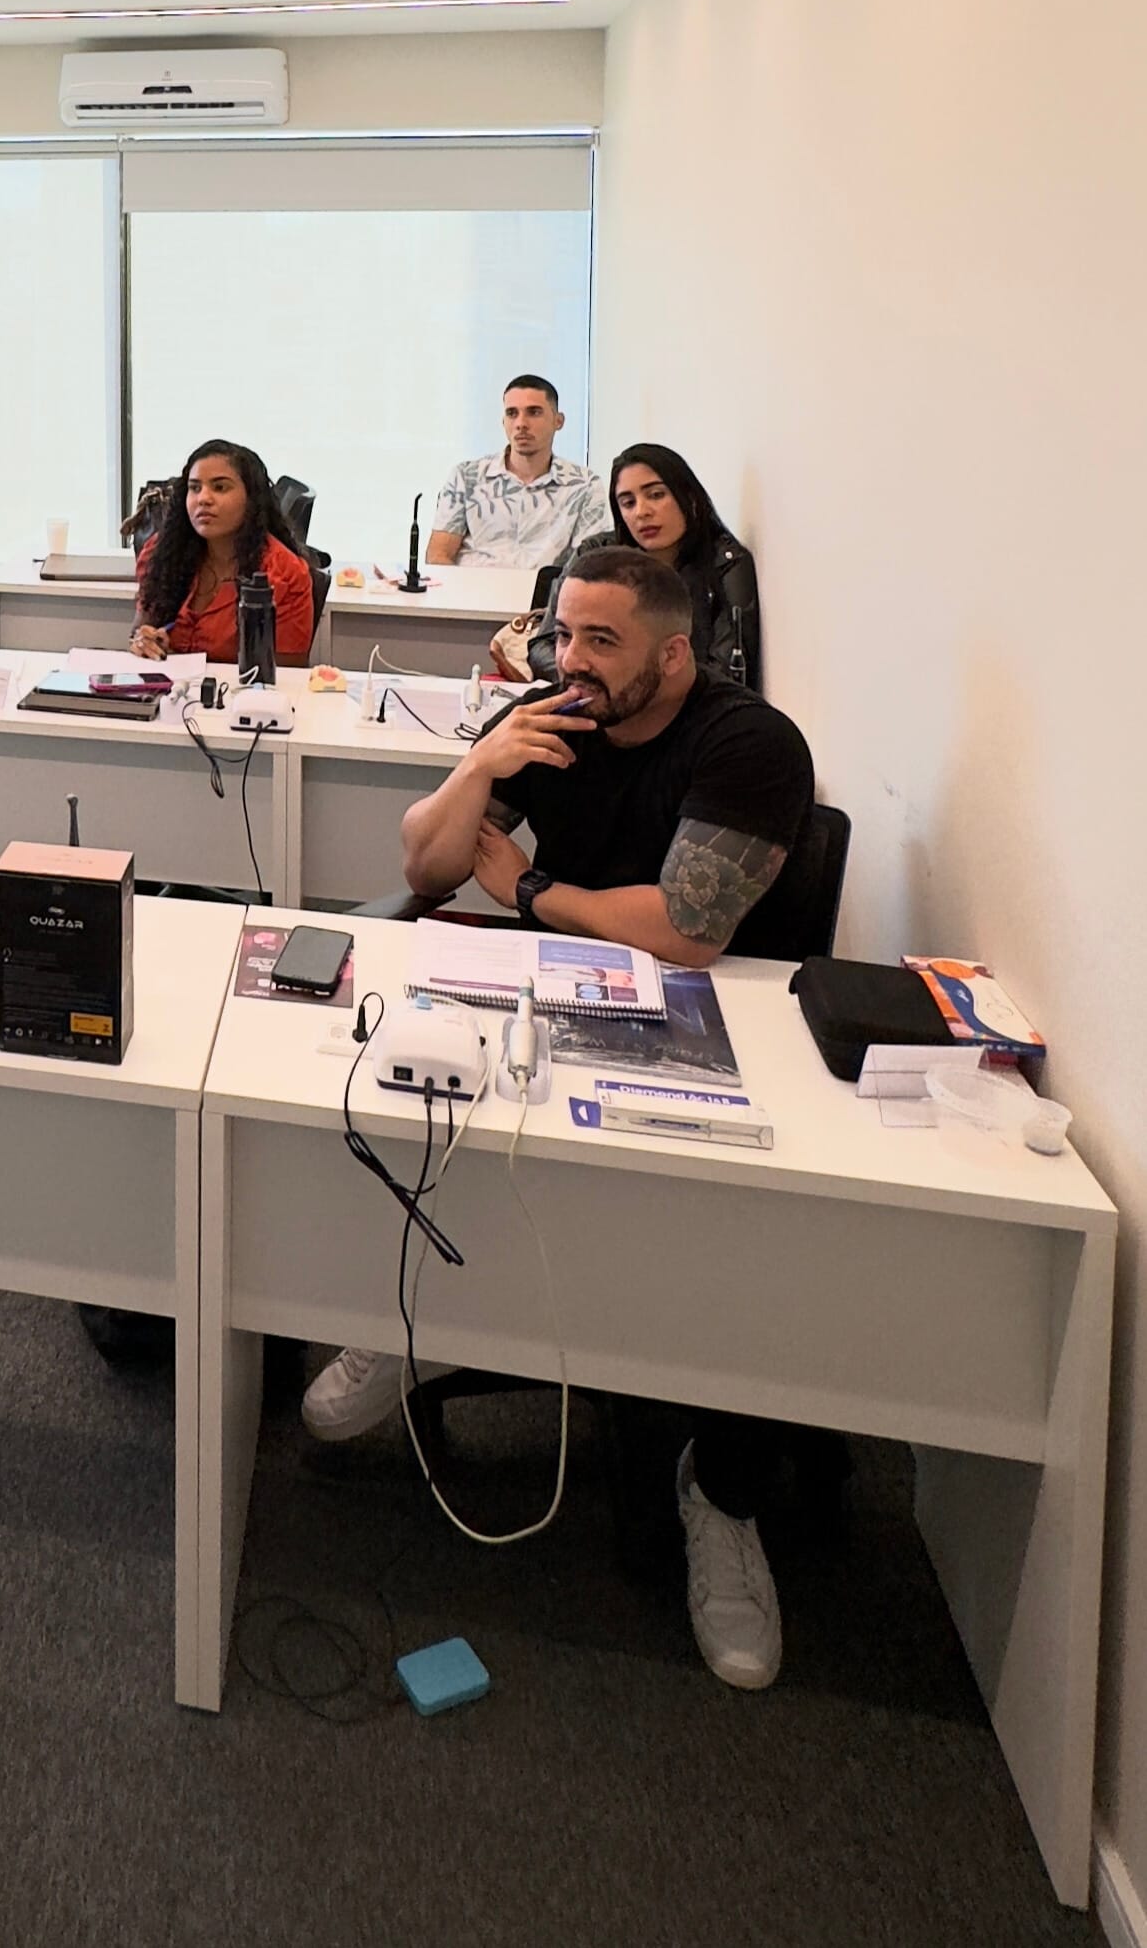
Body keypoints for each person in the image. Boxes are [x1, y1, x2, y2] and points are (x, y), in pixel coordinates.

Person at [303, 544, 816, 1693]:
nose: (571, 661)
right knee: (418, 1097)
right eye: (562, 634)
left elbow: (686, 931)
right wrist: (482, 762)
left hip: (706, 1022)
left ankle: (721, 1498)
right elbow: (426, 864)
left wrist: (534, 891)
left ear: (673, 654)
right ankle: (422, 1316)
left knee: (736, 1258)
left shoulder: (747, 743)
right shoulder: (554, 713)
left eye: (601, 641)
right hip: (554, 985)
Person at [523, 444, 761, 685]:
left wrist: (631, 689)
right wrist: (597, 681)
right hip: (593, 696)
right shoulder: (596, 554)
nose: (641, 512)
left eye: (656, 495)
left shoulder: (725, 562)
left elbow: (727, 675)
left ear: (689, 497)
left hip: (683, 705)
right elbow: (542, 647)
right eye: (628, 503)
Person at [131, 442, 313, 666]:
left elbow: (288, 671)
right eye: (194, 488)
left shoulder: (285, 572)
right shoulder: (161, 552)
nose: (203, 499)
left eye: (220, 488)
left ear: (251, 499)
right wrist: (145, 642)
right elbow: (139, 629)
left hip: (242, 688)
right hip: (169, 685)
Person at [427, 376, 610, 570]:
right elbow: (438, 555)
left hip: (548, 589)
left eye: (534, 412)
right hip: (472, 587)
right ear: (503, 421)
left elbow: (590, 566)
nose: (521, 423)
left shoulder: (584, 485)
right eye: (512, 413)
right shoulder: (466, 477)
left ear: (558, 421)